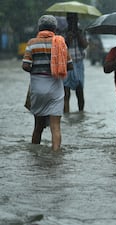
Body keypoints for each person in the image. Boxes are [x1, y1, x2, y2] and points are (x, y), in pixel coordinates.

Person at [22, 15, 73, 151]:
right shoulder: (60, 43)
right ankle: (55, 155)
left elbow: (25, 66)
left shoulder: (32, 43)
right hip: (55, 88)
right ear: (54, 28)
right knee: (55, 127)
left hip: (37, 88)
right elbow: (70, 66)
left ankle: (34, 153)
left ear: (39, 28)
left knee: (38, 126)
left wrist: (38, 70)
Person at [63, 12, 88, 113]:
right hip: (66, 63)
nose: (72, 21)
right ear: (67, 20)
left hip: (78, 63)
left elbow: (85, 45)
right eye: (70, 19)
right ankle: (66, 113)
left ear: (77, 20)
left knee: (80, 90)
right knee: (66, 91)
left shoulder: (81, 31)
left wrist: (78, 35)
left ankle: (81, 112)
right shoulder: (63, 31)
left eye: (74, 19)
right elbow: (62, 47)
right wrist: (68, 38)